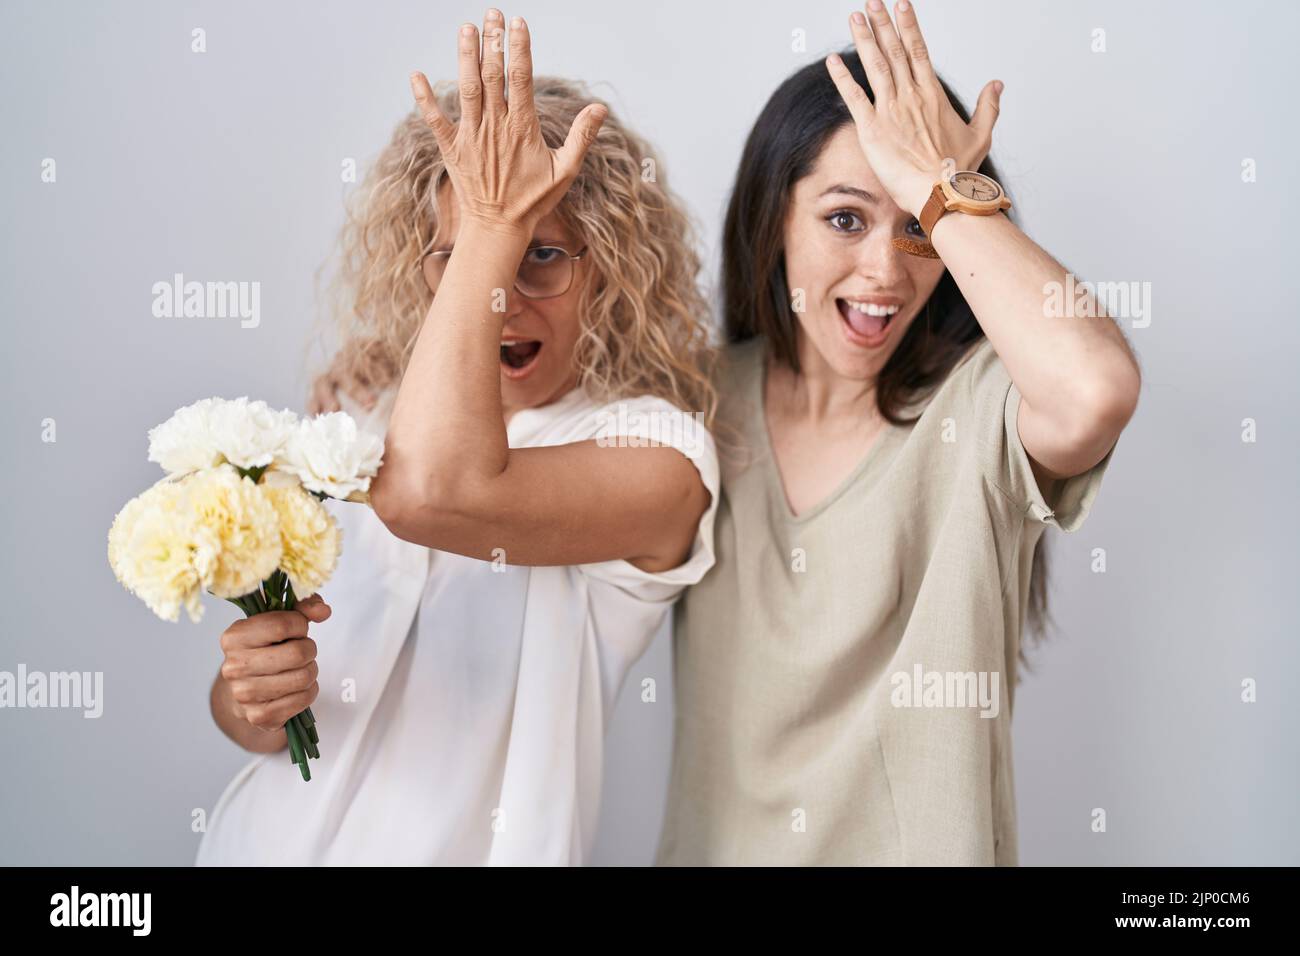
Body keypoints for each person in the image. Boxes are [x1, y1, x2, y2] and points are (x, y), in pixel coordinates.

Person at [197, 9, 719, 866]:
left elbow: (436, 491)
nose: (504, 296)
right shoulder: (355, 418)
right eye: (461, 253)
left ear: (614, 270)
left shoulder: (657, 456)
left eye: (541, 252)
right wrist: (249, 690)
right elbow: (257, 730)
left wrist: (486, 227)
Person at [655, 1, 1140, 865]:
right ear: (775, 219)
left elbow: (1096, 387)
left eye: (915, 227)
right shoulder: (696, 403)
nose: (886, 269)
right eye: (845, 218)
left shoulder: (983, 403)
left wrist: (943, 189)